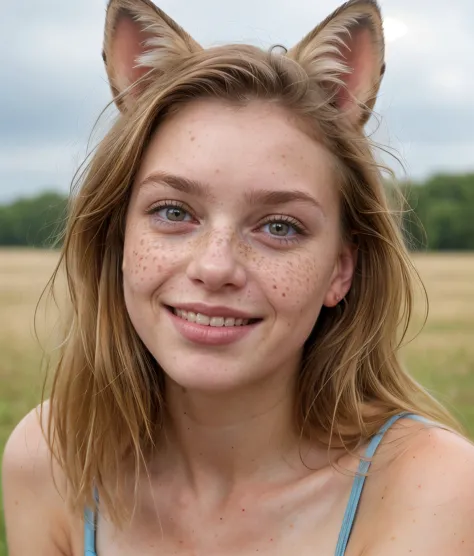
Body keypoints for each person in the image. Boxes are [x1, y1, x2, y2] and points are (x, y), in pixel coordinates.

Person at [3, 0, 474, 554]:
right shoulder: (53, 457)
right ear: (119, 238)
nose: (215, 267)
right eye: (174, 212)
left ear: (340, 270)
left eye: (279, 225)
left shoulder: (432, 488)